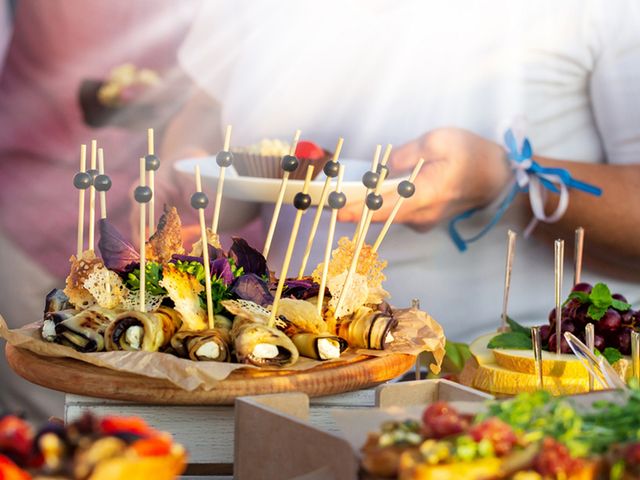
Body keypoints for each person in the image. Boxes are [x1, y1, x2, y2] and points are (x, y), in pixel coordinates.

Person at [163, 0, 640, 344]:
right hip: (288, 359)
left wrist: (501, 180)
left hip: (522, 376)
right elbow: (207, 112)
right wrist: (190, 170)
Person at [0, 0, 200, 421]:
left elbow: (224, 84)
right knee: (54, 425)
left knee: (171, 421)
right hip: (32, 214)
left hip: (175, 233)